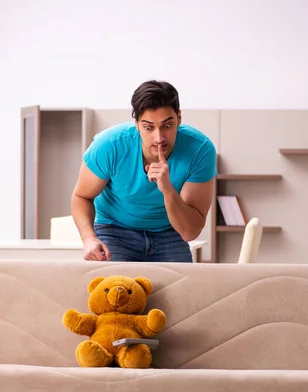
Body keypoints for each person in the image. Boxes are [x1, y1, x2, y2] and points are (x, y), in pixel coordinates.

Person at [71, 80, 217, 262]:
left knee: (181, 289)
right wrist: (89, 238)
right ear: (137, 124)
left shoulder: (200, 150)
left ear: (179, 118)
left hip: (169, 231)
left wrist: (168, 191)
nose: (159, 138)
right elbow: (81, 196)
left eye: (167, 125)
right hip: (114, 229)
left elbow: (189, 232)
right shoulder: (109, 145)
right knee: (116, 288)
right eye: (148, 127)